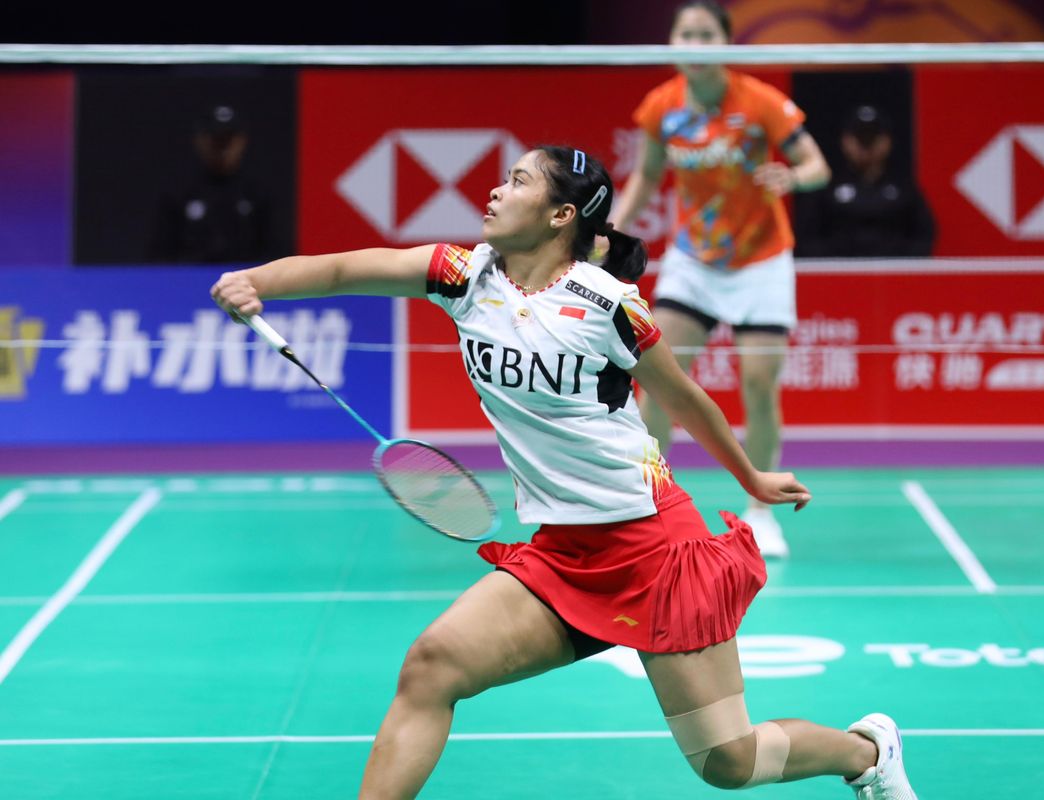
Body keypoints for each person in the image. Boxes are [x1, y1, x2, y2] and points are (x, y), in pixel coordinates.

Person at [211, 145, 917, 800]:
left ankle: (867, 753)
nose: (496, 190)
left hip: (654, 549)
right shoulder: (462, 276)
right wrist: (254, 283)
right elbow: (343, 269)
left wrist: (751, 478)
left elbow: (682, 397)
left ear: (560, 215)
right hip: (565, 552)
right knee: (431, 667)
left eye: (518, 181)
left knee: (727, 762)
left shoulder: (607, 303)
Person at [608, 0, 832, 559]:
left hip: (761, 259)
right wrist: (608, 233)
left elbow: (817, 166)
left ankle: (761, 512)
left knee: (758, 383)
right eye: (686, 34)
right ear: (673, 44)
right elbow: (647, 177)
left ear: (726, 43)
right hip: (694, 260)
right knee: (657, 379)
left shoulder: (759, 101)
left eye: (707, 35)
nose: (696, 45)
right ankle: (648, 504)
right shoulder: (661, 107)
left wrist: (793, 177)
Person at [796, 104, 936, 258]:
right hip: (839, 269)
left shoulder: (904, 187)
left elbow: (923, 233)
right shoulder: (825, 185)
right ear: (845, 141)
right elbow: (807, 235)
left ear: (887, 142)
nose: (866, 145)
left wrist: (905, 265)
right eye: (860, 137)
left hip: (894, 269)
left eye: (872, 137)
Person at [150, 104, 278, 263]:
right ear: (199, 141)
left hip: (247, 276)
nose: (222, 148)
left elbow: (275, 253)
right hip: (188, 276)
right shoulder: (177, 195)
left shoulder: (258, 194)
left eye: (228, 140)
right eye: (215, 139)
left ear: (242, 142)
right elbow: (159, 257)